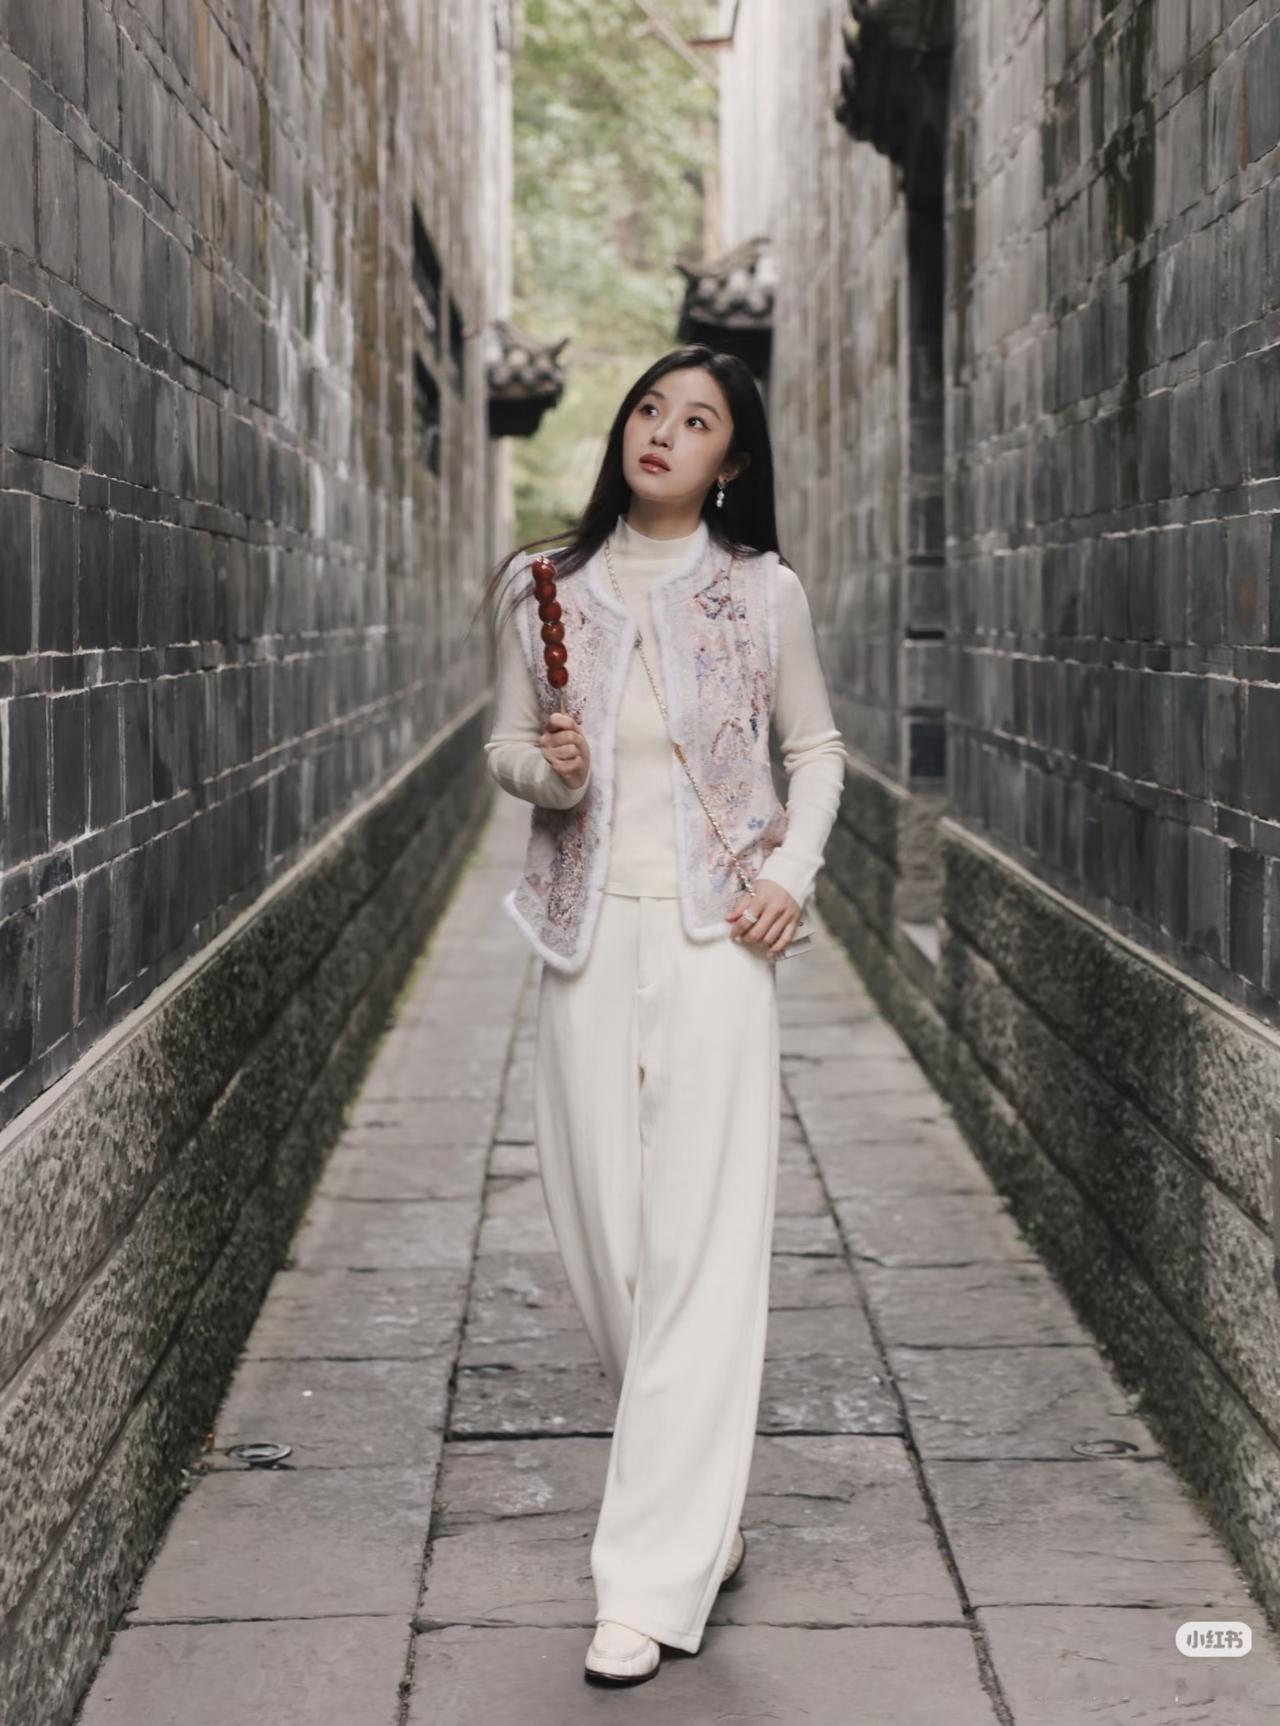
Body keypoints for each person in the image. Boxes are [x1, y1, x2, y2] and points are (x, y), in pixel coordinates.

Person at [475, 344, 847, 1686]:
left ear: (729, 460)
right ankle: (703, 1504)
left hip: (716, 945)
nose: (662, 431)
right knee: (606, 1240)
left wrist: (791, 875)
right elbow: (505, 748)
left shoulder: (761, 591)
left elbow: (817, 751)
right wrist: (554, 772)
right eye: (650, 408)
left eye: (697, 421)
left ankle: (643, 1580)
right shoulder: (542, 584)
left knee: (700, 1245)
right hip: (582, 934)